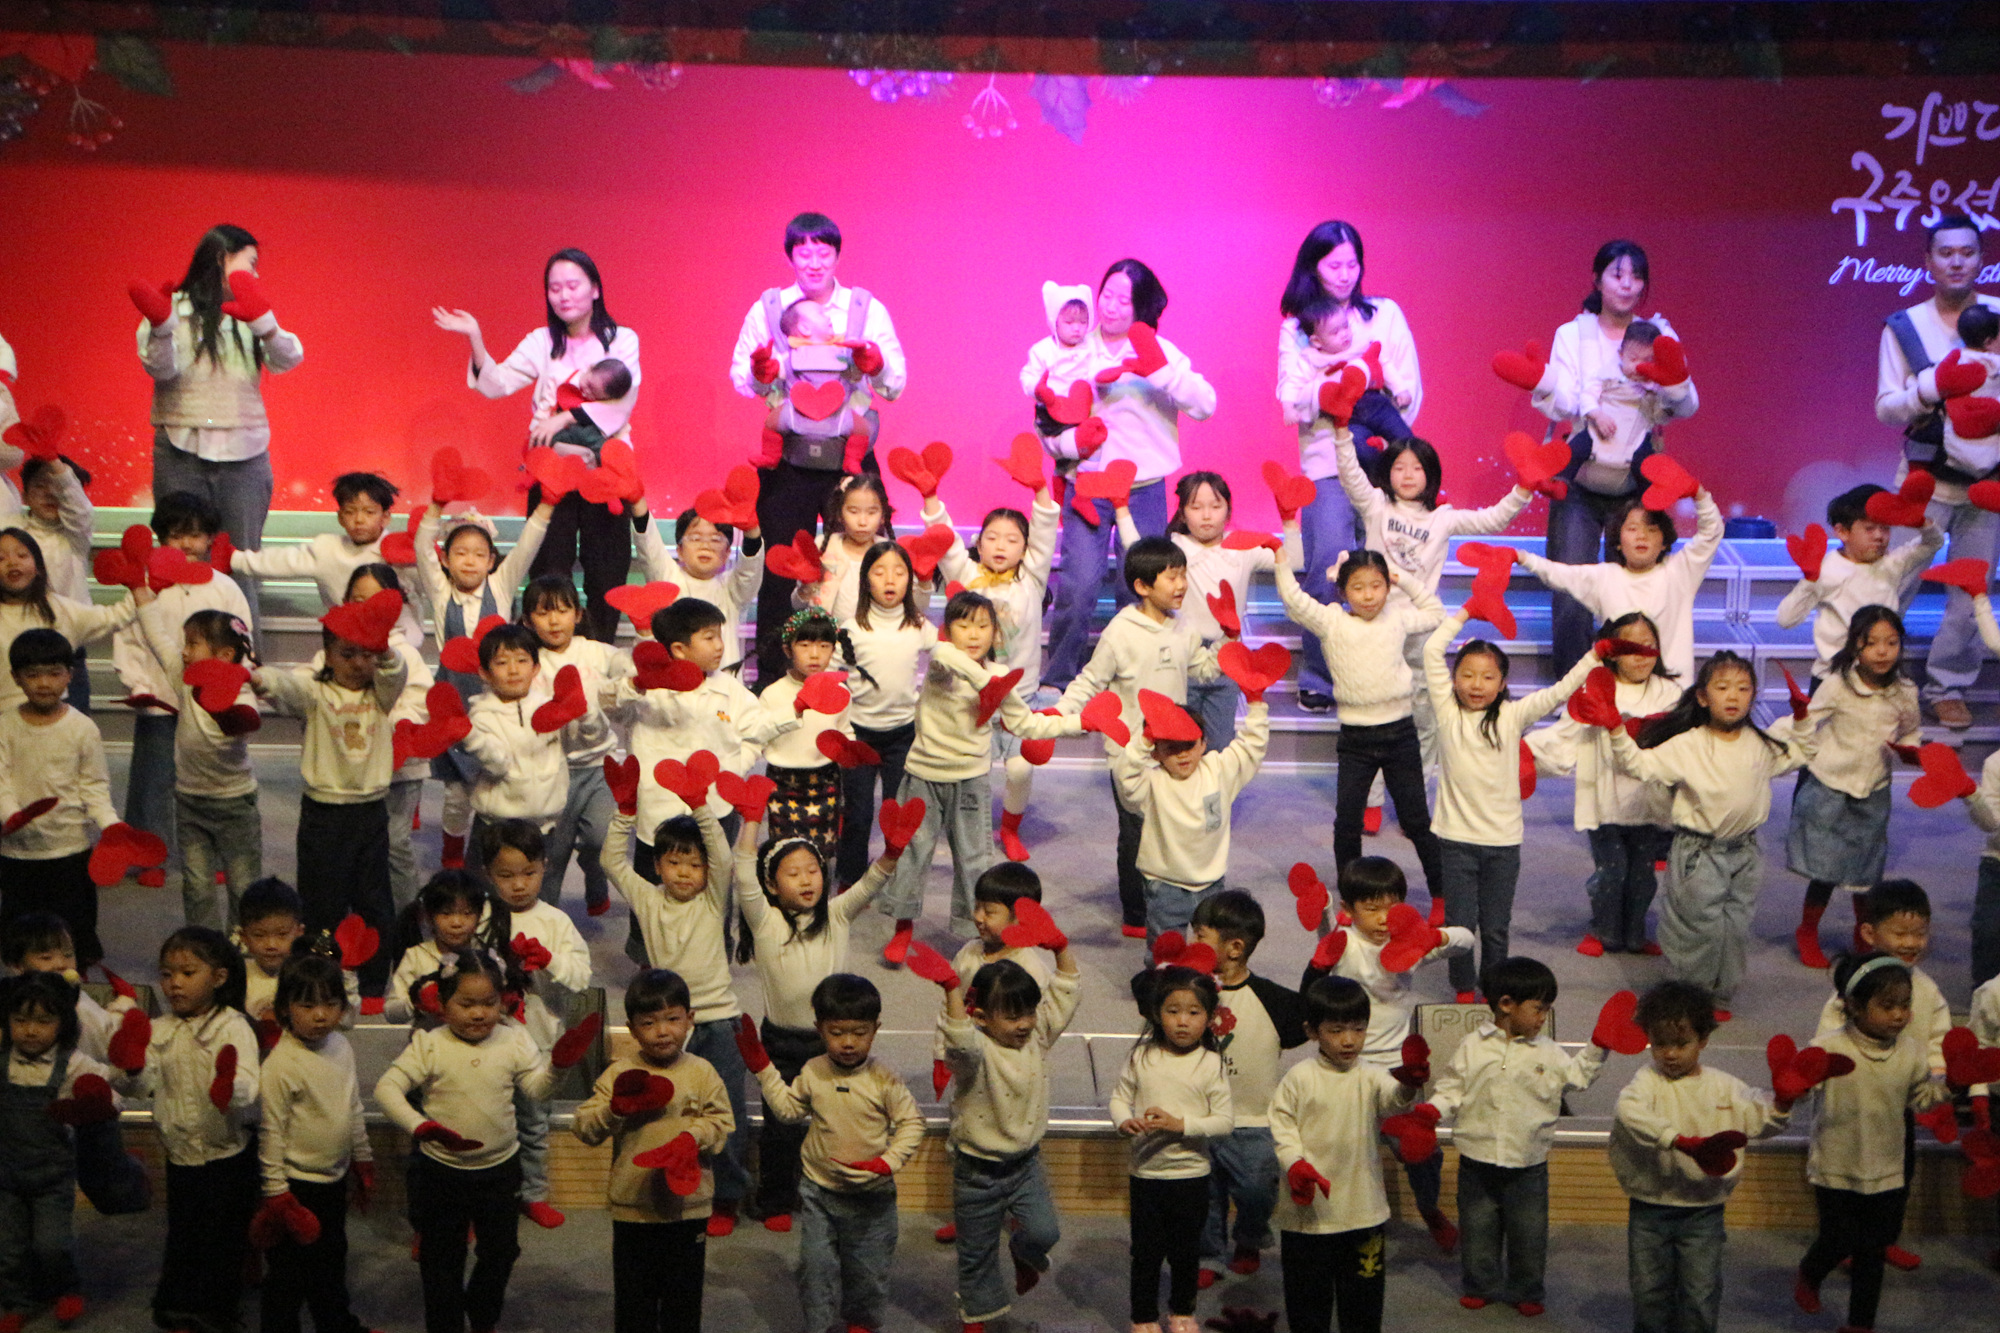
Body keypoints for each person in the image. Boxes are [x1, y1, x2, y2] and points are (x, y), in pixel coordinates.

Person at [730, 213, 905, 687]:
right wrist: (763, 370)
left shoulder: (864, 308)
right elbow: (742, 379)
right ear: (790, 256)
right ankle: (773, 680)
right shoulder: (770, 307)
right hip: (789, 455)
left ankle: (864, 675)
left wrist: (874, 362)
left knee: (867, 561)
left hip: (849, 453)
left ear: (837, 256)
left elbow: (895, 385)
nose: (813, 262)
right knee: (780, 567)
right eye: (803, 252)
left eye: (823, 252)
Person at [1512, 239, 1700, 676]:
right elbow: (1560, 403)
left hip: (1636, 483)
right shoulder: (1573, 334)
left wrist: (1668, 385)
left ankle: (1631, 687)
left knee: (1635, 593)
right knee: (1572, 592)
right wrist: (1562, 391)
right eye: (1618, 275)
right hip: (1580, 479)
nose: (1627, 284)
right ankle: (1573, 689)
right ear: (1597, 280)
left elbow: (1687, 405)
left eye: (1636, 276)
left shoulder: (1659, 335)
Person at [435, 248, 642, 643]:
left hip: (606, 472)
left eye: (573, 286)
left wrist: (564, 418)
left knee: (607, 571)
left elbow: (622, 401)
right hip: (551, 470)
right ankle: (546, 658)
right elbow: (496, 384)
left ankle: (599, 654)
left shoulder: (622, 339)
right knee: (548, 567)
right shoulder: (541, 341)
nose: (563, 296)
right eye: (554, 288)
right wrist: (475, 336)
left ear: (595, 289)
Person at [1600, 651, 1814, 1012]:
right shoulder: (1689, 744)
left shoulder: (1759, 743)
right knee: (1697, 928)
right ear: (1702, 696)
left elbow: (1802, 752)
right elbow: (1639, 765)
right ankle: (1691, 997)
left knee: (1734, 926)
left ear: (1753, 696)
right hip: (1700, 852)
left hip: (1746, 852)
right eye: (1723, 687)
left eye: (1743, 688)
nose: (1733, 696)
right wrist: (1615, 729)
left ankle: (1719, 993)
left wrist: (1803, 718)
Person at [731, 802, 904, 1231]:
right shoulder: (765, 921)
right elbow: (742, 872)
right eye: (793, 873)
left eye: (813, 870)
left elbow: (870, 884)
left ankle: (826, 1189)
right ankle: (775, 1198)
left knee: (834, 1121)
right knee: (780, 1127)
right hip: (781, 1042)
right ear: (771, 885)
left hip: (829, 1041)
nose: (807, 879)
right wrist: (751, 818)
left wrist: (892, 853)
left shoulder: (837, 915)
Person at [1044, 260, 1216, 691]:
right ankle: (1059, 677)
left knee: (1138, 586)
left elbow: (1205, 404)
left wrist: (1161, 372)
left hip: (1143, 490)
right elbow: (1047, 414)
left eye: (1124, 300)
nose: (1111, 306)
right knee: (1078, 585)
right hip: (1088, 486)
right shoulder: (1074, 349)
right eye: (1107, 294)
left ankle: (1135, 679)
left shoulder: (1161, 351)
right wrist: (1067, 446)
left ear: (1141, 307)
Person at [879, 592, 1084, 951]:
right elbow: (943, 655)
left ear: (995, 633)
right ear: (948, 631)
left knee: (974, 859)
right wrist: (985, 684)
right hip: (923, 776)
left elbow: (1026, 724)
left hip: (970, 780)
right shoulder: (943, 666)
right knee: (912, 851)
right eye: (963, 625)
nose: (973, 634)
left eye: (982, 626)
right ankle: (903, 925)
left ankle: (975, 929)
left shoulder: (1000, 676)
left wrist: (1081, 723)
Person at [600, 763, 752, 1237]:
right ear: (658, 865)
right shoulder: (648, 899)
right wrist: (626, 812)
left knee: (726, 1111)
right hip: (667, 1027)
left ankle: (727, 1196)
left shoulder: (713, 899)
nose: (684, 872)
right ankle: (664, 1186)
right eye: (673, 862)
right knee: (665, 1111)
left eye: (694, 864)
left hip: (719, 1024)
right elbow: (612, 862)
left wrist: (701, 805)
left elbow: (724, 857)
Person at [1276, 221, 1423, 711]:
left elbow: (1407, 383)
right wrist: (1333, 393)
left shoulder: (1384, 314)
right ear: (1313, 266)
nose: (1344, 274)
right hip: (1327, 460)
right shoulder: (1298, 327)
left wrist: (1392, 441)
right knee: (1327, 562)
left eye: (1352, 264)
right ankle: (1320, 676)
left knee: (1388, 563)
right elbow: (1291, 398)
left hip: (1383, 460)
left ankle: (1384, 672)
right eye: (1334, 265)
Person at [1418, 958, 1614, 1316]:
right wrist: (1432, 1111)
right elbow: (1451, 1088)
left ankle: (1527, 1291)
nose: (1543, 1017)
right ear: (1506, 1004)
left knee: (1529, 1233)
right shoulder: (1472, 1046)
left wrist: (1599, 1045)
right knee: (1477, 1228)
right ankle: (1480, 1285)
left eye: (1547, 1009)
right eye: (1539, 1008)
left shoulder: (1548, 1051)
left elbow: (1578, 1077)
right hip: (1476, 1160)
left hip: (1528, 1163)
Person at [375, 947, 556, 1333]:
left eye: (489, 1003)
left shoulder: (514, 1038)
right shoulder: (430, 1043)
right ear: (442, 1004)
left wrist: (560, 1066)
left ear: (502, 1001)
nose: (478, 1013)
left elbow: (537, 1090)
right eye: (467, 1003)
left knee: (502, 1251)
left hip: (500, 1170)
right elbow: (387, 1089)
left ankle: (482, 1311)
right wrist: (420, 1126)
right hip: (441, 1172)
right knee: (441, 1260)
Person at [1298, 856, 1472, 1254]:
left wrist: (1432, 937)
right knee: (1338, 1149)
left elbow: (1466, 940)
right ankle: (1333, 1218)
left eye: (1392, 908)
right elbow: (1325, 927)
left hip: (1398, 1072)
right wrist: (1320, 904)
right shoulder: (1343, 942)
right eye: (1371, 908)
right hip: (1344, 1067)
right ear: (1349, 909)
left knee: (1422, 1152)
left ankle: (1429, 1209)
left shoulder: (1408, 946)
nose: (1382, 918)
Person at [1424, 604, 1598, 998]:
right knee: (1459, 927)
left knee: (1496, 927)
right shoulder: (1447, 713)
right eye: (1467, 675)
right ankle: (1463, 990)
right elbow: (1432, 650)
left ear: (1503, 683)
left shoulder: (1513, 716)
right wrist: (1466, 612)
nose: (1476, 684)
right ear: (1453, 679)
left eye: (1488, 677)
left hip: (1503, 844)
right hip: (1455, 841)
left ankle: (1494, 990)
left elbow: (1560, 691)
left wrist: (1595, 655)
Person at [743, 974, 926, 1333]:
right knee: (815, 1268)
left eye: (859, 1032)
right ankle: (819, 1325)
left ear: (875, 1029)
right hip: (819, 1193)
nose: (848, 1042)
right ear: (819, 1029)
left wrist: (887, 1162)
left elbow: (912, 1123)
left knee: (868, 1270)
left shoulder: (884, 1077)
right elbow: (789, 1112)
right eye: (837, 1032)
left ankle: (861, 1323)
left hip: (872, 1197)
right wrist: (764, 1068)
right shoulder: (813, 1071)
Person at [1873, 215, 2000, 729]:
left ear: (1982, 259)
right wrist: (1931, 388)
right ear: (1928, 261)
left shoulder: (1998, 316)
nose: (1956, 262)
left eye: (1967, 252)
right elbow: (1887, 407)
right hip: (1924, 478)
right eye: (1945, 253)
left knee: (1970, 591)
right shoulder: (1904, 325)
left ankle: (1947, 686)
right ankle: (1876, 679)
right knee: (1896, 581)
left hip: (1989, 483)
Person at [251, 594, 408, 1007]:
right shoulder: (316, 693)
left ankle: (373, 984)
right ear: (328, 655)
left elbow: (397, 671)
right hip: (322, 813)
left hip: (369, 813)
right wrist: (260, 679)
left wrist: (384, 649)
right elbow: (286, 686)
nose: (358, 664)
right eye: (347, 654)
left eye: (366, 654)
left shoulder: (381, 694)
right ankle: (322, 978)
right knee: (322, 906)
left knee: (374, 904)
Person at [1609, 979, 1790, 1333]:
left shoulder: (1724, 1086)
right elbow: (1628, 1113)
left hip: (1703, 1211)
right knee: (1649, 1292)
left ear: (1703, 1040)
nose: (1670, 1054)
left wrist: (1783, 1102)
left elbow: (1759, 1118)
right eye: (1661, 1044)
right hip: (1649, 1207)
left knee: (1700, 1293)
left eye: (1681, 1044)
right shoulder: (1645, 1081)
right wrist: (1678, 1141)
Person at [1060, 537, 1219, 937]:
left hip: (1173, 749)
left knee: (1173, 827)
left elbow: (1202, 669)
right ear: (1142, 586)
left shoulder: (1184, 626)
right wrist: (1060, 713)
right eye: (1171, 577)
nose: (1181, 584)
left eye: (1183, 575)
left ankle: (1172, 900)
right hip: (1132, 753)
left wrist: (1229, 641)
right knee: (1135, 832)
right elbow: (1091, 680)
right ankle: (1135, 912)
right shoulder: (1121, 631)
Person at [1275, 551, 1446, 915]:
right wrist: (1281, 558)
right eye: (1358, 587)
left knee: (1417, 820)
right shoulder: (1331, 621)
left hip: (1400, 734)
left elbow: (1435, 613)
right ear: (1343, 591)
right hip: (1356, 739)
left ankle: (1442, 896)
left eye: (1377, 585)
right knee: (1347, 824)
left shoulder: (1397, 617)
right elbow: (1293, 600)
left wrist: (1404, 578)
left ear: (1387, 586)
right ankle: (1351, 900)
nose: (1368, 595)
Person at [934, 917, 1081, 1332]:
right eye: (1012, 1016)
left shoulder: (1036, 1036)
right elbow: (959, 1042)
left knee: (1044, 1233)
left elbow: (1065, 995)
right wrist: (951, 990)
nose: (1025, 1023)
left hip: (1025, 1165)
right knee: (976, 1255)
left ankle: (1023, 1254)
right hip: (976, 1171)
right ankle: (975, 1319)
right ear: (981, 1017)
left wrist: (1061, 949)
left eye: (1029, 1012)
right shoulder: (975, 1051)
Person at [571, 968, 735, 1333]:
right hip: (634, 1206)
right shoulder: (619, 1073)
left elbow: (722, 1123)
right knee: (634, 1302)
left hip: (688, 1207)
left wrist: (692, 1136)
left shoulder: (703, 1072)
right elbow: (584, 1128)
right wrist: (614, 1109)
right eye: (649, 1022)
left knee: (683, 1301)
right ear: (632, 1029)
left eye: (672, 1019)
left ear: (690, 1019)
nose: (662, 1031)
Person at [1794, 953, 1950, 1333]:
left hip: (1886, 1168)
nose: (1899, 1014)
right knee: (1837, 1239)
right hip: (1836, 1165)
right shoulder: (1828, 1047)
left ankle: (1860, 1325)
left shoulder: (1911, 1052)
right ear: (1854, 1006)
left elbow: (1920, 1100)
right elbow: (1801, 1091)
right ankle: (1810, 1272)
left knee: (1871, 1251)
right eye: (1887, 1005)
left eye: (1905, 1005)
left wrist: (1953, 1085)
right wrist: (1790, 1086)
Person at [134, 225, 303, 562]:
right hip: (180, 449)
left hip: (245, 453)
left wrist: (266, 327)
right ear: (222, 258)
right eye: (250, 263)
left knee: (240, 560)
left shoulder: (252, 311)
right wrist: (161, 329)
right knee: (179, 559)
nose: (255, 273)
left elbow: (288, 359)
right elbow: (161, 370)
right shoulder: (171, 307)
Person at [1810, 879, 1954, 1274]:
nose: (1912, 943)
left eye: (1920, 933)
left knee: (1898, 1177)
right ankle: (1842, 1243)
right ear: (1870, 933)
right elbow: (1824, 1043)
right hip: (1851, 1102)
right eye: (1901, 933)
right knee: (1842, 1181)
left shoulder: (1927, 989)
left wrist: (1936, 1080)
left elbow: (1938, 1039)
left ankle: (1882, 1240)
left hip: (1897, 1102)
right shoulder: (1855, 986)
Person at [924, 453, 1061, 860]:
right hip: (972, 694)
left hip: (1019, 695)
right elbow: (945, 540)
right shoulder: (967, 576)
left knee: (1019, 767)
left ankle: (1010, 829)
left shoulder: (1031, 580)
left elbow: (1045, 532)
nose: (1001, 545)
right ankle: (972, 829)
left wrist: (1040, 489)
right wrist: (930, 495)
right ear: (979, 542)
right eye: (992, 537)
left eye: (1012, 539)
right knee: (975, 770)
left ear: (1025, 548)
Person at [409, 488, 555, 866]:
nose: (470, 561)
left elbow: (528, 545)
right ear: (445, 560)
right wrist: (437, 505)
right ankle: (453, 852)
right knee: (457, 792)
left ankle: (504, 847)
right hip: (455, 698)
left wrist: (546, 504)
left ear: (492, 561)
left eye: (478, 554)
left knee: (501, 776)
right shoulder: (441, 593)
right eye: (460, 553)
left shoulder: (501, 587)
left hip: (497, 697)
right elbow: (422, 547)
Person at [1269, 974, 1421, 1333]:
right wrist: (1295, 1164)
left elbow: (1394, 1101)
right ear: (1312, 1031)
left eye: (1358, 1029)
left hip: (1362, 1211)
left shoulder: (1371, 1075)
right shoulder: (1299, 1077)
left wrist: (1410, 1082)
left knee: (1363, 1305)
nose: (1349, 1040)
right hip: (1308, 1215)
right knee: (1308, 1304)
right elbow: (1282, 1126)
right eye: (1336, 1030)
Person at [1526, 612, 1680, 956]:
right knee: (1612, 872)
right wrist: (1525, 751)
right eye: (1630, 647)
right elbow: (1565, 733)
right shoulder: (1596, 687)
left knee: (1642, 876)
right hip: (1605, 799)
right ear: (1612, 652)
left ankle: (1635, 932)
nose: (1641, 655)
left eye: (1649, 646)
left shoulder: (1669, 692)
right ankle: (1605, 929)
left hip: (1647, 802)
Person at [1119, 471, 1303, 749]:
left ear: (1228, 510)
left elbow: (1293, 561)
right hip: (1183, 651)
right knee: (1179, 739)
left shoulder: (1242, 547)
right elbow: (1136, 550)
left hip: (1228, 652)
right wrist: (1121, 507)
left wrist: (1288, 520)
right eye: (1196, 507)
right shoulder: (1176, 547)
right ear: (1183, 513)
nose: (1206, 516)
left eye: (1215, 506)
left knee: (1220, 741)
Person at [137, 926, 260, 1333]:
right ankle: (176, 1303)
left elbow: (248, 1083)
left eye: (187, 973)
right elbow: (144, 1082)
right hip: (181, 1153)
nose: (175, 983)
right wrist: (131, 1067)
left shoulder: (232, 1026)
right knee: (184, 1232)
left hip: (227, 1152)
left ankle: (217, 1310)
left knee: (224, 1237)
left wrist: (228, 1087)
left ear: (219, 977)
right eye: (167, 974)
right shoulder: (159, 1029)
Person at [1787, 609, 1922, 969]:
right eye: (1872, 643)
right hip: (1831, 784)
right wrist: (1793, 735)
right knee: (1826, 869)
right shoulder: (1838, 684)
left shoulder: (1905, 691)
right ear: (1856, 646)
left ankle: (1865, 935)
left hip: (1874, 787)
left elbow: (1911, 729)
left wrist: (1910, 749)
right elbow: (1808, 720)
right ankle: (1807, 930)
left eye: (1891, 642)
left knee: (1866, 871)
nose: (1883, 651)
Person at [1183, 891, 1304, 1284]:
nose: (1192, 943)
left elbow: (1311, 1017)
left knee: (1257, 1191)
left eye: (1200, 936)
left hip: (1253, 1120)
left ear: (1235, 947)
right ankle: (1209, 1256)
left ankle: (1250, 1238)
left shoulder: (1272, 999)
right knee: (1204, 1195)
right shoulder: (1188, 992)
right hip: (1199, 1117)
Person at [475, 820, 591, 1230]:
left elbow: (581, 978)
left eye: (529, 873)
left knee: (534, 1125)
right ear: (488, 874)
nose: (519, 884)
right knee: (483, 1120)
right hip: (485, 1042)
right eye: (506, 875)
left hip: (537, 1043)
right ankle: (484, 1200)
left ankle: (534, 1193)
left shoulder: (556, 922)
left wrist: (550, 960)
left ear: (545, 866)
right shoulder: (481, 920)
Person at [254, 944, 376, 1333]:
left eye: (330, 1004)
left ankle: (337, 1324)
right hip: (296, 1186)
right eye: (307, 1005)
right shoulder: (281, 1065)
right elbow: (271, 1132)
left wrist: (362, 1158)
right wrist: (276, 1193)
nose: (321, 1015)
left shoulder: (341, 1046)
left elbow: (352, 1105)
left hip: (333, 1179)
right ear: (285, 1008)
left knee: (331, 1261)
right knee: (288, 1276)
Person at [0, 970, 123, 1331]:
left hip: (52, 1179)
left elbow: (109, 1092)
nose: (31, 1030)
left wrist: (94, 1102)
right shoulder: (3, 1060)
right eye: (20, 1020)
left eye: (43, 1021)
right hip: (6, 1176)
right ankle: (17, 1301)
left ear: (63, 1023)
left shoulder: (71, 1063)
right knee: (8, 1248)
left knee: (52, 1245)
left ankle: (66, 1287)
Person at [1512, 477, 1725, 685]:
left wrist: (1700, 495)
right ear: (1618, 542)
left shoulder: (1680, 572)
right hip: (1619, 698)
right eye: (1632, 529)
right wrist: (1520, 557)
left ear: (1664, 542)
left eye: (1651, 529)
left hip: (1671, 696)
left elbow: (1711, 532)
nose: (1641, 536)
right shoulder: (1604, 577)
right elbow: (1557, 573)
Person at [1105, 682, 1270, 948]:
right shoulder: (1150, 782)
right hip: (1165, 886)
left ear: (1204, 743)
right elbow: (1124, 776)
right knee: (1164, 952)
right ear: (1155, 752)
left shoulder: (1219, 770)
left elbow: (1252, 746)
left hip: (1212, 883)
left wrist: (1256, 702)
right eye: (1171, 747)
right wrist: (1143, 739)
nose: (1182, 753)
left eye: (1189, 744)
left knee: (1212, 950)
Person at [1114, 965, 1232, 1333]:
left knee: (1186, 1251)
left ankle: (1182, 1311)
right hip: (1146, 1175)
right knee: (1145, 1252)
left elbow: (1224, 1121)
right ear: (1156, 1013)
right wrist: (1123, 1121)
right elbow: (1119, 1098)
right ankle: (1143, 1316)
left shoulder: (1211, 1062)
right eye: (1173, 1011)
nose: (1183, 1021)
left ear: (1210, 1017)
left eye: (1194, 1012)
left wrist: (1181, 1125)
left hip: (1191, 1176)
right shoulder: (1141, 1057)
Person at [132, 594, 261, 933]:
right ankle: (207, 947)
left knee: (243, 884)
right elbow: (158, 638)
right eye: (185, 643)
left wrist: (228, 715)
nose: (184, 651)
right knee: (197, 885)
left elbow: (245, 723)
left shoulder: (241, 691)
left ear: (224, 655)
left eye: (192, 644)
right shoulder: (185, 677)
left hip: (235, 803)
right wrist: (139, 593)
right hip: (190, 801)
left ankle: (243, 949)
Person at [0, 629, 124, 967]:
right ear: (16, 677)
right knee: (19, 942)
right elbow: (2, 781)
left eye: (54, 673)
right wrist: (13, 817)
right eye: (32, 674)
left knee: (73, 938)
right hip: (17, 854)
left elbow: (94, 785)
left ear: (70, 675)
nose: (44, 683)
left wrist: (111, 825)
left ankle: (73, 992)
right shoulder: (5, 726)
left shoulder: (82, 728)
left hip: (70, 850)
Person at [835, 543, 936, 886]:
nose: (889, 579)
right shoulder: (851, 629)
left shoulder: (918, 625)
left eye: (899, 572)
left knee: (899, 815)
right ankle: (850, 881)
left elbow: (945, 656)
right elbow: (829, 677)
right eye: (879, 572)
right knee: (858, 813)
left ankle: (898, 880)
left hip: (902, 736)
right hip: (858, 736)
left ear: (909, 580)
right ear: (866, 580)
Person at [1776, 484, 1944, 686]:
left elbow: (1933, 542)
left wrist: (1921, 523)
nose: (1879, 536)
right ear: (1842, 532)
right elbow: (1786, 619)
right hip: (1833, 677)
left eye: (1885, 528)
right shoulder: (1826, 569)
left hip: (1880, 674)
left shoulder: (1893, 562)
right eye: (1869, 528)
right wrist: (1809, 580)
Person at [0, 527, 148, 713]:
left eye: (22, 555)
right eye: (1, 558)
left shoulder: (60, 610)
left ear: (38, 567)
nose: (12, 562)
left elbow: (115, 616)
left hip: (55, 717)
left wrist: (141, 582)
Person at [459, 624, 568, 847]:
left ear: (536, 667)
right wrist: (471, 738)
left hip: (545, 824)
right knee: (486, 870)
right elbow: (497, 766)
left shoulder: (550, 708)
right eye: (501, 663)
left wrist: (584, 712)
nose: (513, 670)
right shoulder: (481, 716)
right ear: (484, 673)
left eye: (522, 660)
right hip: (495, 824)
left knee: (542, 870)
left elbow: (583, 741)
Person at [756, 607, 850, 859]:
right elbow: (760, 734)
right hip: (783, 781)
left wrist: (850, 750)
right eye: (805, 645)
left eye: (824, 646)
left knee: (822, 853)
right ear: (788, 650)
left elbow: (844, 729)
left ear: (833, 650)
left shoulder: (840, 691)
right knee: (784, 852)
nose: (814, 654)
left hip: (824, 779)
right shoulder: (773, 693)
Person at [629, 497, 764, 673]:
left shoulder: (731, 589)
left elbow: (750, 571)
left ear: (727, 553)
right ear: (679, 550)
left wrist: (752, 532)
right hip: (675, 680)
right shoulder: (669, 578)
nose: (705, 546)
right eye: (695, 538)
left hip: (722, 683)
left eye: (716, 540)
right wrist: (637, 501)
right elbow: (649, 548)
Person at [748, 300, 873, 474]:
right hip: (796, 413)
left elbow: (857, 372)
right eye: (821, 313)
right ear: (805, 328)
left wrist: (862, 356)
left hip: (837, 414)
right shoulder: (791, 356)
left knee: (863, 428)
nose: (828, 317)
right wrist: (763, 365)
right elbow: (774, 370)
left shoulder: (842, 354)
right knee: (771, 422)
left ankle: (852, 460)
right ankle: (771, 456)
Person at [15, 456, 93, 711]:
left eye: (58, 486)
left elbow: (80, 511)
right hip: (21, 650)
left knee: (72, 726)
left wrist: (56, 464)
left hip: (68, 652)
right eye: (40, 486)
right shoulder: (14, 537)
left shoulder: (76, 536)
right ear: (24, 495)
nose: (50, 493)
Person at [237, 878, 358, 1039]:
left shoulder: (312, 973)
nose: (271, 944)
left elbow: (346, 1021)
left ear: (299, 932)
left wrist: (345, 977)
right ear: (243, 936)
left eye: (282, 934)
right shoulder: (237, 977)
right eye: (259, 935)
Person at [383, 871, 492, 1028]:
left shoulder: (485, 956)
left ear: (479, 916)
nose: (456, 922)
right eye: (446, 914)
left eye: (467, 914)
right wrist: (417, 1001)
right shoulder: (417, 956)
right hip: (429, 1041)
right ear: (429, 917)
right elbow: (391, 1012)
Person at [789, 474, 896, 627]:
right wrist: (806, 586)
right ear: (839, 513)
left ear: (883, 515)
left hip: (876, 636)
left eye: (872, 512)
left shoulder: (890, 553)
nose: (862, 521)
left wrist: (924, 582)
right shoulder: (823, 548)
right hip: (829, 636)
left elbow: (914, 603)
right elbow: (797, 603)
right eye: (853, 511)